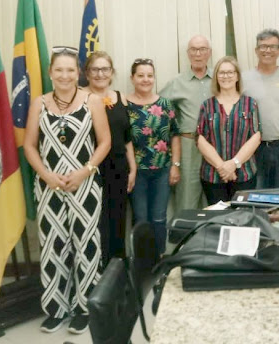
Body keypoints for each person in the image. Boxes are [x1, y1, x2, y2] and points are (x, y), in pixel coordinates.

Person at [24, 46, 111, 334]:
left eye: (70, 70)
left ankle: (86, 308)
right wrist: (46, 176)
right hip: (49, 187)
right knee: (53, 247)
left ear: (78, 73)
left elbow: (105, 142)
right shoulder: (39, 103)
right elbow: (29, 146)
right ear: (50, 72)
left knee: (87, 246)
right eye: (59, 70)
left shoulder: (92, 101)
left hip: (84, 186)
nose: (64, 75)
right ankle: (56, 308)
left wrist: (85, 171)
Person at [85, 51, 137, 266]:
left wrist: (132, 168)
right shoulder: (81, 98)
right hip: (92, 168)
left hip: (118, 167)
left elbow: (127, 137)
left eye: (105, 69)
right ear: (87, 73)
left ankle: (117, 270)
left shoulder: (120, 97)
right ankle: (96, 269)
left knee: (117, 220)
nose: (100, 74)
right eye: (95, 69)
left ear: (112, 72)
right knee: (95, 221)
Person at [127, 58, 181, 256]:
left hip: (162, 170)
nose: (145, 79)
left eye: (150, 75)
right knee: (140, 219)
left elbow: (175, 135)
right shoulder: (124, 105)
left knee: (159, 218)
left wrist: (175, 165)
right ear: (132, 78)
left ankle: (159, 260)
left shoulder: (165, 104)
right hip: (136, 172)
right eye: (140, 75)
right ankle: (141, 262)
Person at [196, 56, 262, 204]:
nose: (226, 76)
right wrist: (222, 167)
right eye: (222, 72)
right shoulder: (207, 105)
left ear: (237, 76)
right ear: (216, 77)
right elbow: (200, 139)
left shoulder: (250, 104)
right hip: (213, 176)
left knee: (241, 215)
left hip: (244, 174)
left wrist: (234, 164)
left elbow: (256, 137)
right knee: (218, 216)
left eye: (230, 72)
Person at [242, 29, 279, 189]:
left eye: (272, 46)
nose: (267, 50)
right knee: (257, 195)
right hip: (254, 149)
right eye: (263, 46)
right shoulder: (243, 80)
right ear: (256, 50)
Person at [160, 35, 212, 212]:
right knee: (187, 200)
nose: (198, 54)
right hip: (189, 145)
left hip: (217, 147)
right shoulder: (176, 83)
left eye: (202, 49)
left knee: (215, 200)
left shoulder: (220, 78)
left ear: (209, 53)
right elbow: (159, 110)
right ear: (188, 53)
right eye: (194, 50)